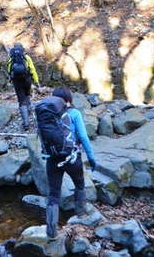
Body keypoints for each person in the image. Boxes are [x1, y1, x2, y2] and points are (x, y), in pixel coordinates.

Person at [44, 87, 97, 240]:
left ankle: (51, 232)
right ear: (69, 99)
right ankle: (81, 213)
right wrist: (92, 158)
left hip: (52, 158)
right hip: (72, 157)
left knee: (53, 195)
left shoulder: (47, 115)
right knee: (79, 184)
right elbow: (84, 137)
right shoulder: (74, 113)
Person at [7, 43, 40, 129]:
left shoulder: (12, 58)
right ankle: (29, 110)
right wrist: (36, 81)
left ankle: (26, 123)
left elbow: (9, 70)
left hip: (17, 82)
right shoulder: (26, 58)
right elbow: (32, 69)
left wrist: (11, 79)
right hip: (27, 80)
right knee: (27, 94)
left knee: (21, 100)